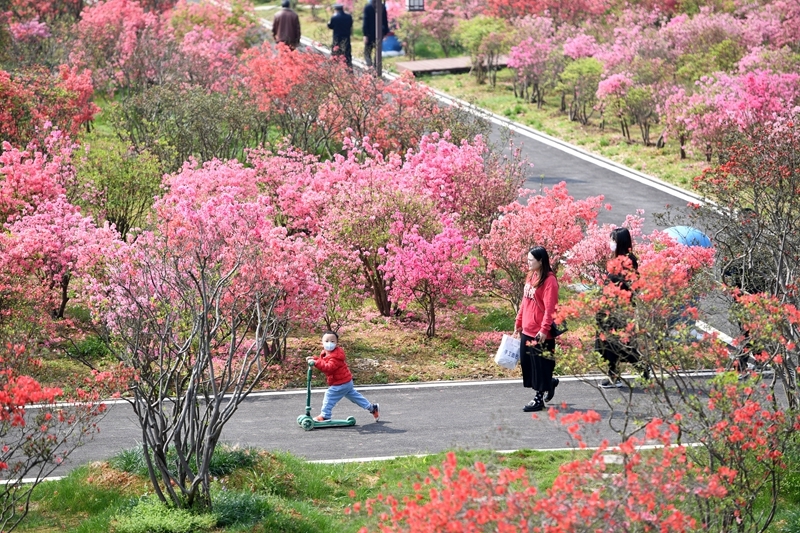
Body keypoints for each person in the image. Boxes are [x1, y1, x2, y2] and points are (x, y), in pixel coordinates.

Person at [595, 227, 643, 388]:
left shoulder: (628, 261)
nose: (611, 243)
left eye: (613, 240)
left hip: (618, 309)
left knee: (618, 343)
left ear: (620, 242)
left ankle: (642, 369)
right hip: (610, 308)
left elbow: (626, 286)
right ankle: (613, 376)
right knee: (612, 344)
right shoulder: (618, 259)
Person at [514, 246, 560, 413]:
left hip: (540, 333)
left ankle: (539, 399)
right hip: (527, 328)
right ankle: (550, 382)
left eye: (531, 260)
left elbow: (550, 309)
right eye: (527, 260)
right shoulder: (531, 275)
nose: (528, 263)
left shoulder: (549, 281)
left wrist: (544, 329)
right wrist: (518, 321)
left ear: (541, 261)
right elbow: (525, 301)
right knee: (528, 366)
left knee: (539, 367)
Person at [307, 330, 379, 422]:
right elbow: (324, 361)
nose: (329, 343)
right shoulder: (326, 352)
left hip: (341, 382)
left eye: (332, 341)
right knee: (355, 397)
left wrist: (316, 363)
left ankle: (325, 415)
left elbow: (328, 367)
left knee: (329, 395)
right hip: (346, 381)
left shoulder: (336, 356)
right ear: (322, 342)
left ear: (337, 343)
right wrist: (315, 359)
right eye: (326, 341)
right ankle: (372, 408)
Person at [362, 0, 388, 67]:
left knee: (367, 52)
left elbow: (365, 22)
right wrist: (385, 33)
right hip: (380, 33)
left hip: (370, 34)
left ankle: (370, 66)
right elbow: (385, 21)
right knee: (377, 52)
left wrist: (365, 34)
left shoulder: (368, 7)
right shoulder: (382, 6)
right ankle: (376, 67)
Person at [328, 3, 353, 68]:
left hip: (337, 38)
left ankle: (334, 68)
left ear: (336, 9)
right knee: (347, 54)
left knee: (335, 53)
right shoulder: (348, 16)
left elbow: (330, 26)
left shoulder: (334, 17)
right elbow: (350, 25)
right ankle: (349, 68)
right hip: (346, 38)